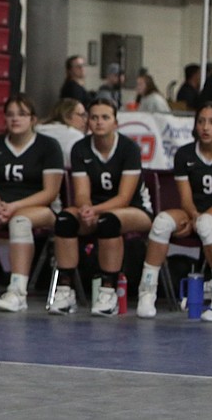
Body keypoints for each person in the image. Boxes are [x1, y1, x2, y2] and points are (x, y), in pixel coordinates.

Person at [136, 102, 212, 322]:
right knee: (162, 222)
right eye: (201, 121)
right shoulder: (185, 153)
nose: (205, 127)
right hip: (194, 212)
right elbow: (185, 199)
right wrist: (195, 217)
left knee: (207, 222)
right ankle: (147, 291)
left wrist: (200, 220)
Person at [48, 98, 152, 316]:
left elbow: (124, 197)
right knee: (66, 220)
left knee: (108, 222)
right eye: (94, 117)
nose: (99, 122)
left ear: (115, 122)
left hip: (135, 209)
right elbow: (82, 192)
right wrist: (86, 208)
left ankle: (108, 291)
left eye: (105, 117)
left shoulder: (128, 148)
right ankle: (66, 290)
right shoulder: (80, 148)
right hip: (95, 209)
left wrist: (95, 211)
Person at [0, 94, 64, 312]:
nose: (15, 119)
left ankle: (18, 291)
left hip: (39, 206)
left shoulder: (48, 146)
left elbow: (50, 192)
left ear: (33, 119)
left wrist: (14, 207)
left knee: (19, 221)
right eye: (10, 114)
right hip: (1, 203)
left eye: (22, 114)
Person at [36, 98, 87, 168]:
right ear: (67, 115)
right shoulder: (76, 137)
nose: (85, 120)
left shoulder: (36, 130)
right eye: (82, 115)